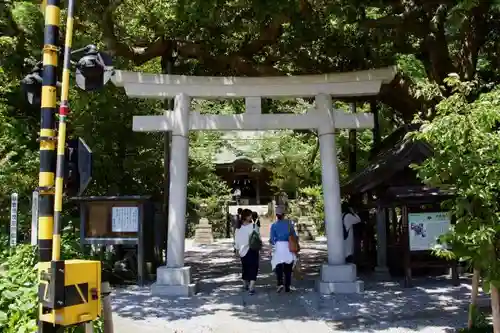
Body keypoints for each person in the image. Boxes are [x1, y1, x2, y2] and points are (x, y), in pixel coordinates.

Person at [269, 206, 297, 293]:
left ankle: (280, 283)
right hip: (288, 245)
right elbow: (294, 235)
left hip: (278, 246)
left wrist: (271, 247)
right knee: (288, 267)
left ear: (276, 215)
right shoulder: (289, 223)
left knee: (278, 265)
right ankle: (287, 285)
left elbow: (272, 239)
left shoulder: (274, 225)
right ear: (284, 214)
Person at [234, 208, 260, 295]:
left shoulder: (238, 228)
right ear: (246, 216)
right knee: (253, 267)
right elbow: (257, 237)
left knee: (245, 267)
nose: (251, 216)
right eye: (249, 215)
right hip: (252, 249)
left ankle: (245, 284)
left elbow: (236, 240)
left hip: (242, 250)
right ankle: (251, 287)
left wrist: (236, 249)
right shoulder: (253, 226)